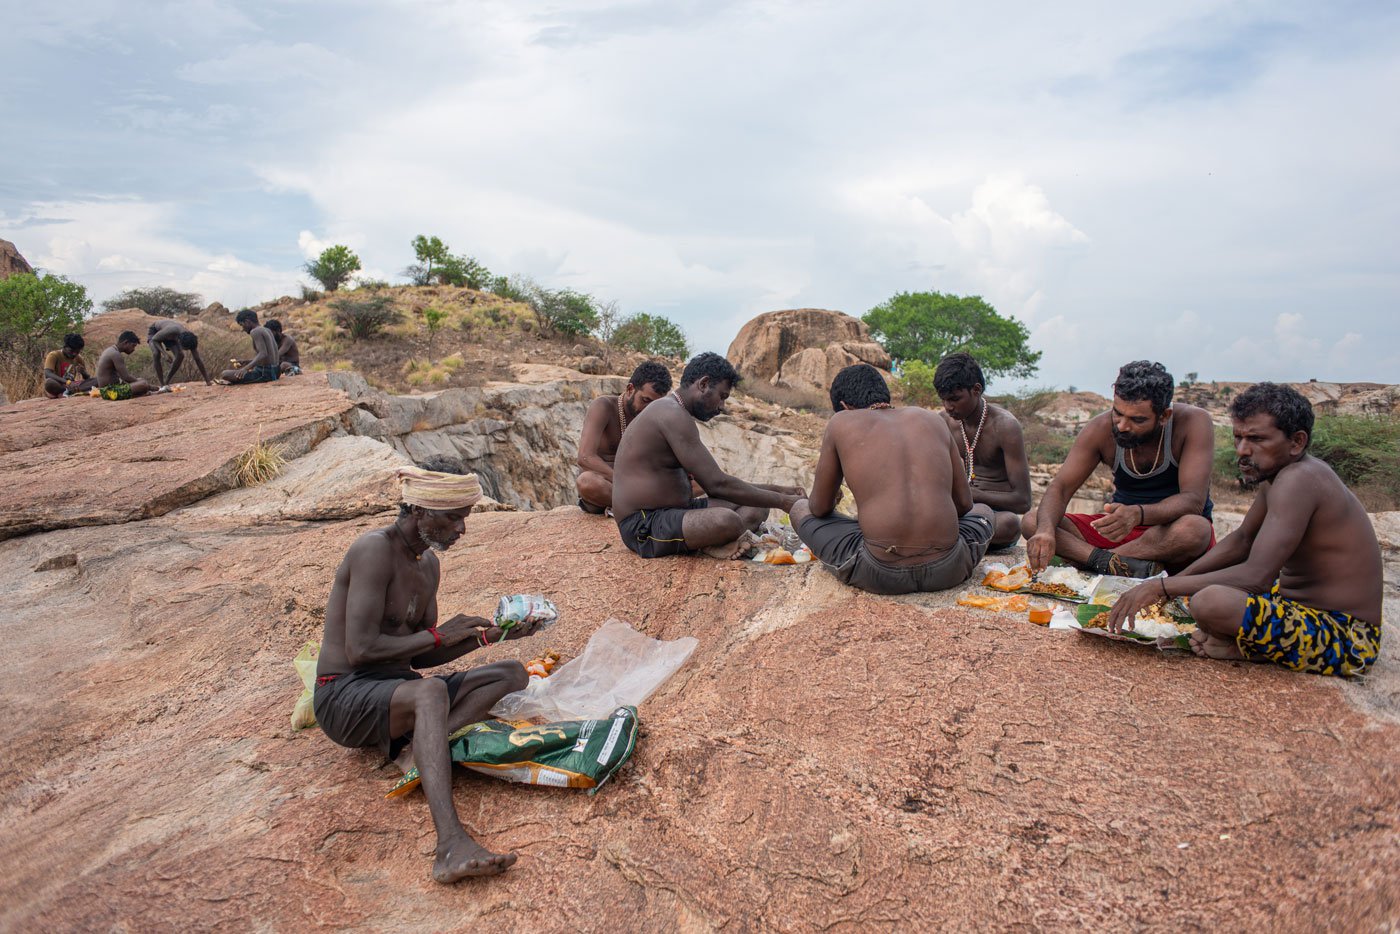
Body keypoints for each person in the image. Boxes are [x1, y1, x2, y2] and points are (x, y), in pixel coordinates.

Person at [314, 462, 540, 882]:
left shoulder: (428, 565)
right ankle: (449, 844)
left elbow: (418, 659)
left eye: (464, 518)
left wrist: (490, 638)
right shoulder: (373, 550)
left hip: (396, 691)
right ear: (419, 509)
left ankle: (418, 748)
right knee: (431, 693)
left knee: (510, 673)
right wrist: (440, 636)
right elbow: (361, 650)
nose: (461, 529)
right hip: (342, 695)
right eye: (453, 517)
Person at [1107, 383, 1382, 676]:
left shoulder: (1300, 479)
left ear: (1296, 442)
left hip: (1347, 636)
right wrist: (1176, 583)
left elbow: (1256, 577)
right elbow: (1242, 540)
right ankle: (1245, 647)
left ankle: (1252, 649)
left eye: (1256, 439)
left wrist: (1162, 587)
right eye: (1238, 437)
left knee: (1210, 601)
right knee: (1198, 592)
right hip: (1294, 606)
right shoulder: (1276, 476)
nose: (1242, 450)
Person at [791, 363, 995, 594]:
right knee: (984, 512)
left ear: (844, 406)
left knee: (800, 508)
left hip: (880, 574)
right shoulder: (933, 419)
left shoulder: (841, 422)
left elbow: (818, 508)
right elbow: (965, 504)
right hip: (950, 568)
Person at [1024, 361, 1215, 578]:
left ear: (1164, 416)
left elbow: (1194, 501)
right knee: (1034, 521)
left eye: (1137, 419)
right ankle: (1115, 564)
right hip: (1119, 530)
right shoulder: (1099, 428)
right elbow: (1061, 487)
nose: (1122, 425)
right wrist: (1046, 533)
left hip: (1166, 535)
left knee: (1194, 530)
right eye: (1118, 413)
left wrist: (1138, 514)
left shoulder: (1193, 422)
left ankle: (1095, 561)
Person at [611, 352, 805, 558]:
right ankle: (711, 542)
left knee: (757, 508)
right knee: (726, 521)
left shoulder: (676, 412)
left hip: (678, 510)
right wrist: (784, 501)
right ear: (703, 384)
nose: (722, 407)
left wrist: (780, 491)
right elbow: (717, 484)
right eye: (722, 396)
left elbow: (719, 485)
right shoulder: (671, 413)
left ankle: (711, 542)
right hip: (643, 522)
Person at [934, 352, 1032, 549]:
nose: (948, 407)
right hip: (961, 511)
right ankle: (956, 539)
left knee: (1010, 525)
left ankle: (947, 539)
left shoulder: (1005, 426)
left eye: (954, 399)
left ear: (976, 390)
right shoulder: (944, 421)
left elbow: (1023, 501)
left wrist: (972, 495)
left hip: (995, 514)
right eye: (943, 399)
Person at [576, 361, 672, 515]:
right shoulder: (603, 406)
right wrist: (627, 484)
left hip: (638, 489)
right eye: (645, 400)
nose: (649, 409)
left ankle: (642, 507)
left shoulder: (653, 418)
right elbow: (585, 457)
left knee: (698, 480)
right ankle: (646, 508)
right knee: (586, 482)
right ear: (630, 389)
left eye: (655, 404)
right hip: (606, 488)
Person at [220, 310, 281, 384]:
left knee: (225, 374)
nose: (243, 329)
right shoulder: (267, 330)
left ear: (247, 321)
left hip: (266, 373)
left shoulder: (255, 331)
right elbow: (268, 357)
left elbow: (263, 353)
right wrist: (247, 362)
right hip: (276, 371)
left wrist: (245, 369)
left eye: (242, 325)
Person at [147, 320, 212, 386]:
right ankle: (162, 384)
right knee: (156, 353)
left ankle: (166, 381)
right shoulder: (171, 330)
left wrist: (208, 381)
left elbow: (198, 359)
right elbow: (155, 339)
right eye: (184, 348)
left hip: (169, 337)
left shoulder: (190, 339)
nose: (185, 350)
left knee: (180, 355)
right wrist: (165, 354)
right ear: (179, 341)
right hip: (155, 332)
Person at [95, 331, 154, 398]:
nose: (133, 349)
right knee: (143, 384)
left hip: (106, 391)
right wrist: (150, 386)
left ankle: (141, 392)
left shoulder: (111, 350)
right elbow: (126, 377)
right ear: (125, 343)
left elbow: (121, 378)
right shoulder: (115, 354)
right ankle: (149, 390)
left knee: (140, 380)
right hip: (110, 392)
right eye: (133, 346)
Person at [43, 333, 97, 397]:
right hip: (59, 384)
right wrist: (67, 382)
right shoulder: (53, 355)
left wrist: (83, 373)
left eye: (77, 352)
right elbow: (47, 373)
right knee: (49, 383)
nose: (74, 354)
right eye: (71, 351)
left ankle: (68, 392)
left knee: (97, 380)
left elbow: (87, 378)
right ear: (65, 346)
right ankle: (68, 391)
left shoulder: (78, 358)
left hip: (73, 386)